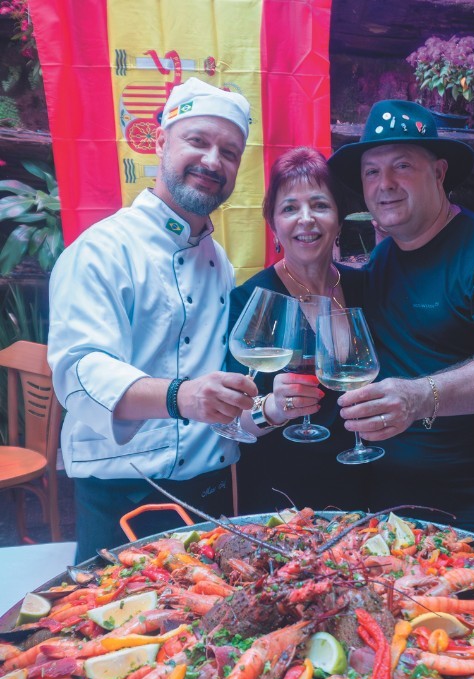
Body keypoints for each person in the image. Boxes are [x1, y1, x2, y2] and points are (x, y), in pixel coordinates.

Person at [48, 78, 295, 560]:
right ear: (161, 140)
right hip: (124, 499)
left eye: (228, 151)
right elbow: (79, 374)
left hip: (212, 496)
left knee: (214, 635)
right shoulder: (102, 250)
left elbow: (217, 407)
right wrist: (183, 396)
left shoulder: (218, 261)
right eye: (198, 141)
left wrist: (268, 411)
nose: (212, 161)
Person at [328, 100, 474, 535]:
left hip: (473, 503)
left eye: (402, 165)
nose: (384, 184)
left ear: (439, 173)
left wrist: (418, 398)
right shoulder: (382, 257)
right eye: (371, 171)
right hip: (385, 499)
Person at [228, 147, 367, 513]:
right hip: (281, 496)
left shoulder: (366, 287)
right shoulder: (252, 299)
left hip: (368, 484)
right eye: (289, 208)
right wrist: (272, 408)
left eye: (320, 205)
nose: (306, 219)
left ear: (338, 218)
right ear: (273, 223)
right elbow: (229, 417)